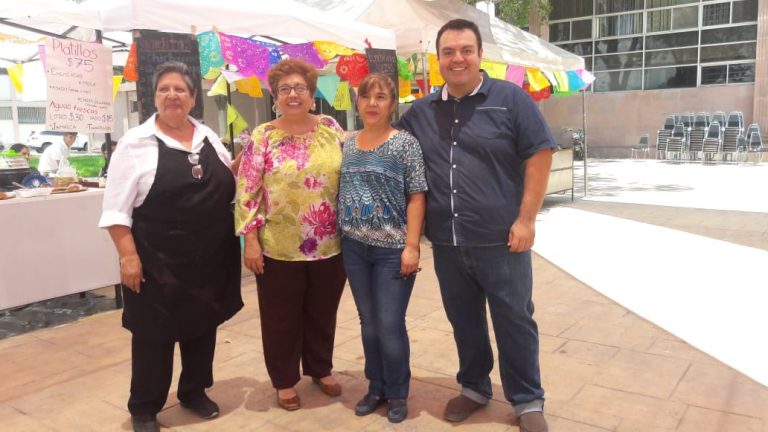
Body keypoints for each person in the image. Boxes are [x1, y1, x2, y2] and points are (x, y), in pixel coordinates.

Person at [395, 19, 555, 432]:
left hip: (503, 240)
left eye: (465, 50)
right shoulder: (421, 112)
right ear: (438, 60)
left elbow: (539, 155)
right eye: (448, 52)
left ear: (480, 55)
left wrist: (527, 219)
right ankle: (475, 387)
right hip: (447, 242)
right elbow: (390, 149)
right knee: (464, 319)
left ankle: (527, 400)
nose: (457, 59)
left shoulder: (511, 100)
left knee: (515, 320)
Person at [99, 61, 243, 432]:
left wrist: (260, 156)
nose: (172, 95)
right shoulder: (135, 144)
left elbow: (230, 177)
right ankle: (145, 407)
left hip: (209, 257)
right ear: (155, 98)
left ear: (194, 98)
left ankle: (194, 391)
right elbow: (115, 210)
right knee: (153, 336)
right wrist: (128, 257)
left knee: (202, 327)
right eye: (164, 89)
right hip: (156, 260)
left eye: (180, 89)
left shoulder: (207, 136)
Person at [235, 58, 347, 411]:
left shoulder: (331, 127)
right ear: (275, 96)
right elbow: (247, 189)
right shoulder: (263, 136)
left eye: (300, 88)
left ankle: (320, 368)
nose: (293, 94)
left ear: (312, 95)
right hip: (277, 246)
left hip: (330, 243)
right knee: (280, 316)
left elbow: (353, 174)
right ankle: (284, 380)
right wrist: (250, 239)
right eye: (285, 89)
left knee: (322, 310)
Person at [338, 73, 427, 423]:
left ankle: (397, 391)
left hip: (392, 249)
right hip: (355, 248)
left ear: (392, 104)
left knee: (390, 323)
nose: (372, 103)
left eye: (381, 97)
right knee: (368, 323)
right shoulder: (348, 144)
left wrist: (412, 246)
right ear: (357, 102)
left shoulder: (405, 144)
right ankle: (375, 386)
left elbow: (417, 195)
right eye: (366, 97)